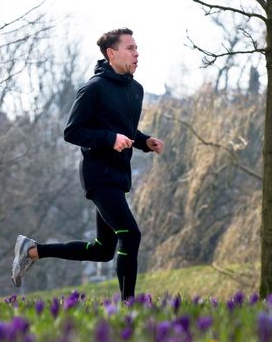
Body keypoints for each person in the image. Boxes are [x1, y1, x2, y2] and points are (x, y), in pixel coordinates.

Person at [11, 28, 164, 300]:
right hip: (98, 176)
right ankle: (129, 306)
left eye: (137, 47)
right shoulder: (93, 89)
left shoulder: (135, 90)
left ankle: (32, 251)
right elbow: (72, 132)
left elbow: (124, 131)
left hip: (119, 176)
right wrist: (109, 138)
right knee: (131, 235)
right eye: (130, 48)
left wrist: (145, 141)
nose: (137, 53)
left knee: (103, 250)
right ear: (111, 53)